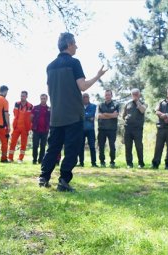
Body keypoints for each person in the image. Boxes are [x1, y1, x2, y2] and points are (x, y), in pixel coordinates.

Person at [39, 33, 107, 191]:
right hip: (73, 115)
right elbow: (83, 86)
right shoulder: (74, 63)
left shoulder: (50, 66)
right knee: (71, 149)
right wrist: (98, 75)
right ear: (69, 44)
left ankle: (43, 177)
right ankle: (63, 181)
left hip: (56, 116)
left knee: (53, 148)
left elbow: (49, 90)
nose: (77, 46)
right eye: (75, 43)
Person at [152, 85, 168, 169]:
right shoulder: (161, 102)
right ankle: (155, 163)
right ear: (167, 91)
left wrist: (167, 116)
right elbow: (157, 111)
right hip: (161, 128)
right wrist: (163, 115)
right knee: (158, 147)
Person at [123, 88, 147, 168]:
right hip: (128, 128)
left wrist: (137, 102)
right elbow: (124, 115)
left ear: (139, 95)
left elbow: (142, 110)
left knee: (139, 146)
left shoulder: (143, 103)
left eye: (136, 94)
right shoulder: (127, 104)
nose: (135, 96)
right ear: (131, 95)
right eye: (133, 94)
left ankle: (141, 163)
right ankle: (129, 163)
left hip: (138, 128)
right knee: (128, 146)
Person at [96, 89, 119, 168]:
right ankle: (102, 162)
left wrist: (105, 114)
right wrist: (110, 115)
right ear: (104, 96)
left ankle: (112, 161)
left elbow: (115, 115)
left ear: (111, 96)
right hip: (102, 129)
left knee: (112, 146)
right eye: (106, 95)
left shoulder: (116, 104)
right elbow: (99, 116)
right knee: (101, 146)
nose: (107, 96)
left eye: (109, 95)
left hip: (112, 129)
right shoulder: (100, 105)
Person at [9, 90, 33, 162]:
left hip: (25, 128)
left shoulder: (30, 106)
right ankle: (10, 158)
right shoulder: (17, 104)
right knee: (13, 142)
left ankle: (20, 158)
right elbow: (15, 114)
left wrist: (30, 128)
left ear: (26, 96)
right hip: (16, 126)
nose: (22, 97)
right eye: (21, 96)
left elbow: (31, 117)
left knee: (23, 144)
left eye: (23, 96)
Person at [31, 93, 50, 165]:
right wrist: (33, 125)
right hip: (36, 130)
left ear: (46, 99)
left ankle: (41, 160)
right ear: (40, 99)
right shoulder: (35, 107)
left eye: (44, 98)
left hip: (45, 130)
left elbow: (51, 119)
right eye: (42, 98)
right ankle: (34, 159)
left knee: (43, 146)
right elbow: (31, 117)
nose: (43, 100)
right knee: (35, 145)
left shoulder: (49, 109)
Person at [79, 93, 96, 167]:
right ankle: (81, 163)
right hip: (81, 129)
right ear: (82, 98)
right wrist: (88, 117)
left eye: (86, 97)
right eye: (84, 97)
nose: (85, 98)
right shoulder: (79, 106)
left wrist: (84, 116)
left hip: (90, 129)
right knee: (80, 146)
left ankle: (94, 163)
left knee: (92, 146)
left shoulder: (93, 106)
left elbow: (92, 114)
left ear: (89, 98)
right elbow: (79, 115)